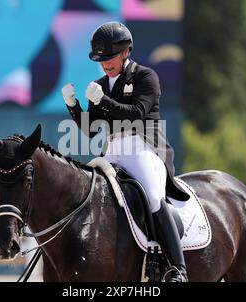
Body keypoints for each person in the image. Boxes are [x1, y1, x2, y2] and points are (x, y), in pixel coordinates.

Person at [62, 22, 189, 282]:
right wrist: (73, 106)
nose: (105, 64)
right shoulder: (99, 84)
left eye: (109, 58)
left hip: (144, 147)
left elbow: (137, 115)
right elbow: (90, 130)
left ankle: (178, 268)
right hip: (112, 150)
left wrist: (103, 100)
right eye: (101, 59)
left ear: (126, 52)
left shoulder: (146, 77)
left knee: (153, 197)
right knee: (91, 194)